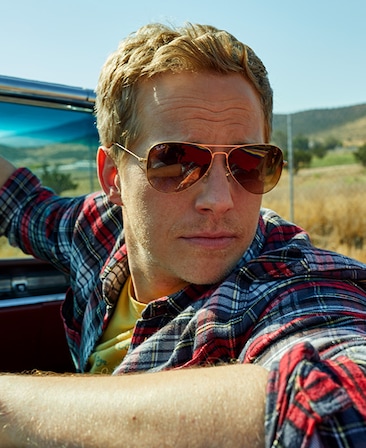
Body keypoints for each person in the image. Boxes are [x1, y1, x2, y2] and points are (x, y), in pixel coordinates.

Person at [0, 22, 366, 448]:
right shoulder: (98, 231)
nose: (220, 199)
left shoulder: (286, 282)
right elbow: (23, 205)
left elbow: (344, 405)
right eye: (175, 160)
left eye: (247, 163)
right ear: (113, 177)